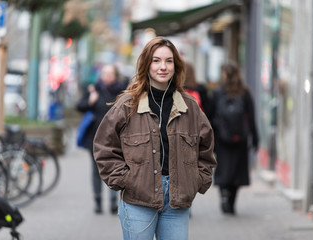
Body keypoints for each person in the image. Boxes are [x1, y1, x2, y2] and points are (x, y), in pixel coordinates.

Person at [93, 37, 217, 240]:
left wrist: (197, 180)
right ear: (146, 64)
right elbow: (104, 146)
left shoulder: (189, 106)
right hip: (138, 200)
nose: (163, 67)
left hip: (177, 203)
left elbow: (206, 147)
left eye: (169, 61)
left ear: (176, 66)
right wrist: (124, 180)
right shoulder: (127, 104)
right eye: (156, 60)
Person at [76, 64, 126, 214]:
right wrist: (90, 101)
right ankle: (97, 201)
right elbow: (79, 106)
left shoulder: (122, 92)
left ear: (115, 75)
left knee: (115, 168)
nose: (107, 76)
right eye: (104, 73)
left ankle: (112, 201)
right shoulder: (94, 89)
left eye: (110, 73)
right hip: (95, 137)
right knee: (96, 169)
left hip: (115, 137)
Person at [211, 61, 259, 215]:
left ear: (224, 75)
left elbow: (210, 117)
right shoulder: (244, 92)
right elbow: (251, 118)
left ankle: (224, 195)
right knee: (237, 171)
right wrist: (255, 138)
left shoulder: (218, 92)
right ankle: (231, 203)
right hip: (240, 139)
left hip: (221, 139)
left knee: (223, 169)